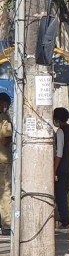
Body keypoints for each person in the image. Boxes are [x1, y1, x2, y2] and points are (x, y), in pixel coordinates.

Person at [53, 107, 69, 230]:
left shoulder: (60, 131)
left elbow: (59, 153)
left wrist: (54, 170)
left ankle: (65, 221)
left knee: (60, 195)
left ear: (57, 119)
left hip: (62, 168)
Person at [0, 93, 12, 235]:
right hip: (3, 159)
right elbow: (6, 138)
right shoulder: (4, 118)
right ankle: (7, 224)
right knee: (5, 191)